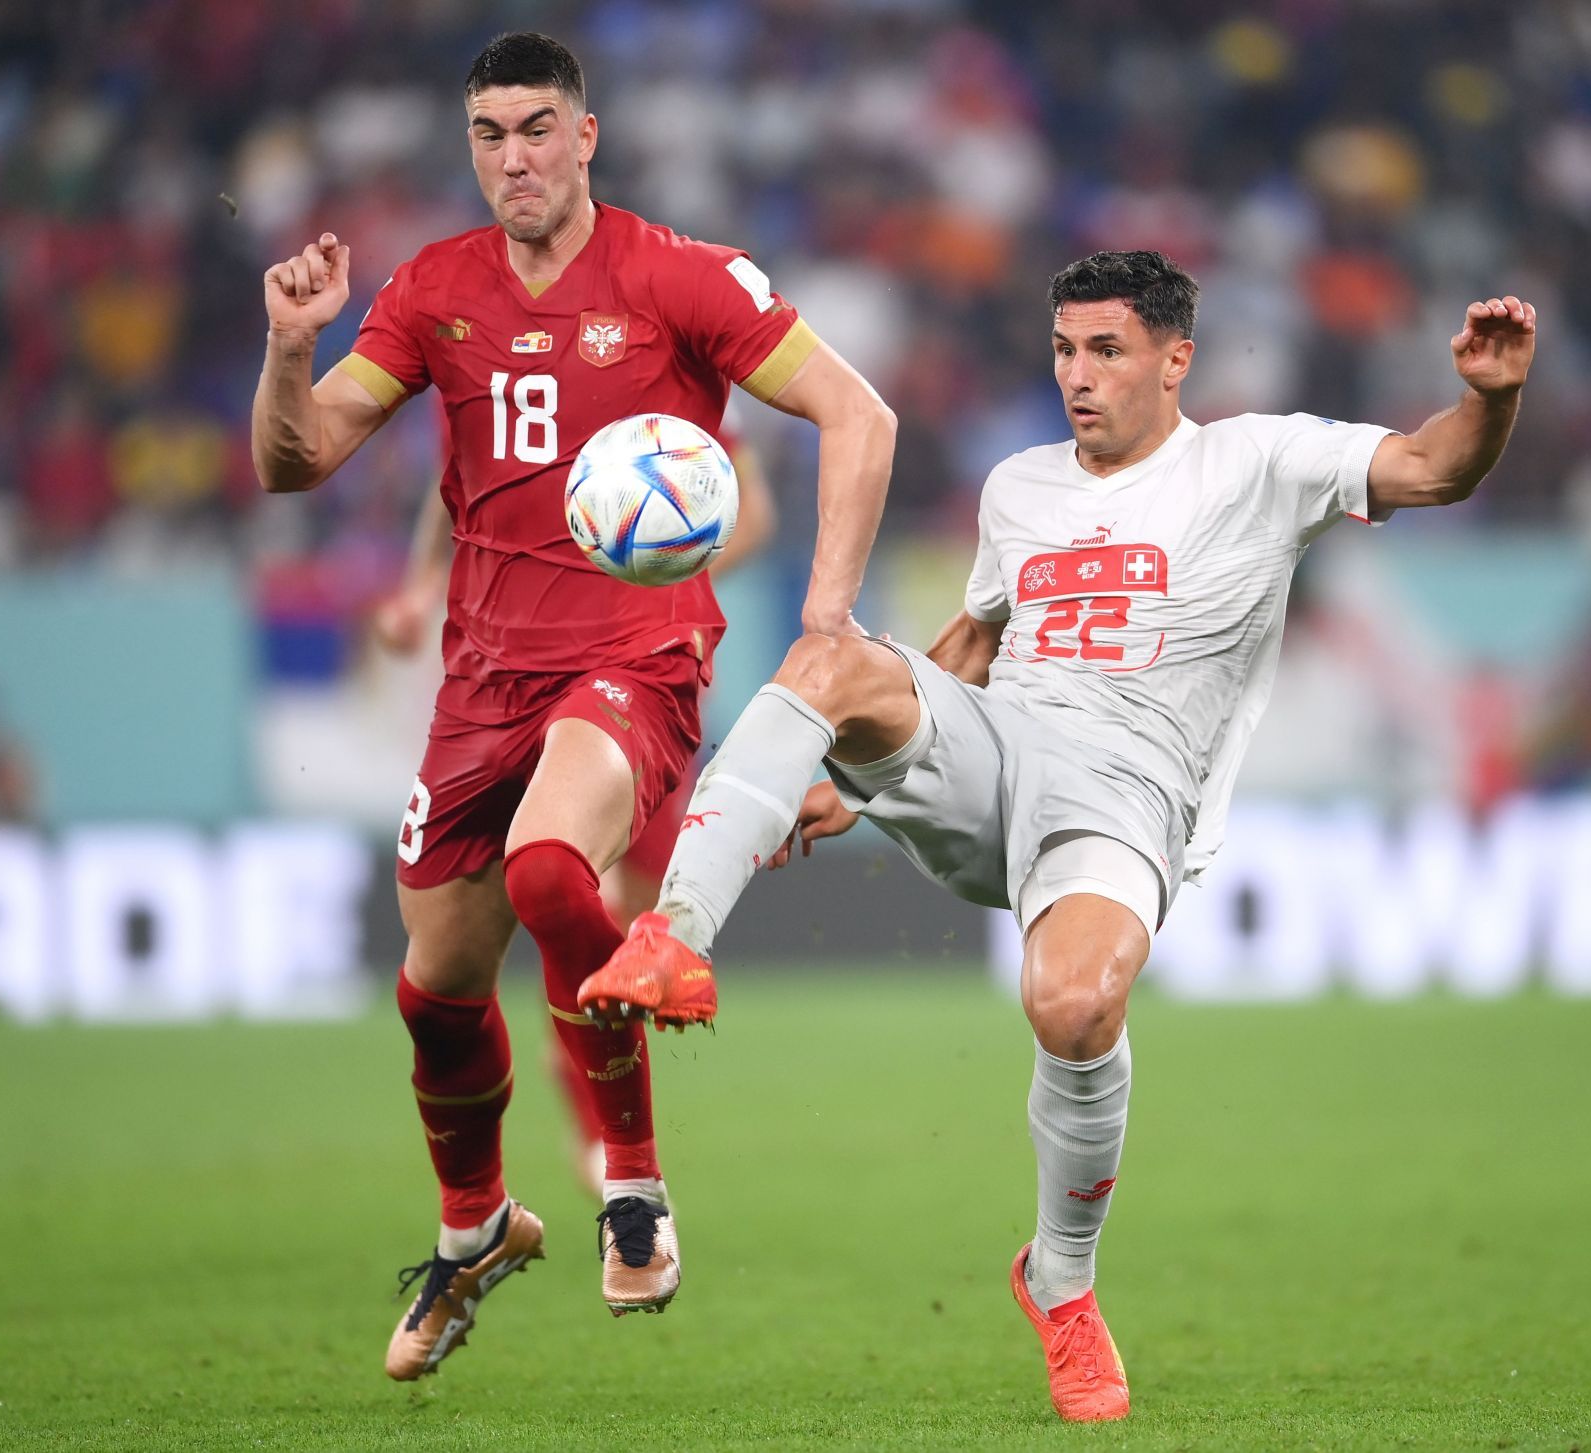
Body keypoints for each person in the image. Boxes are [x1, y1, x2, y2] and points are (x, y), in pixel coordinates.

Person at [579, 251, 1536, 1421]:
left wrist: (1489, 396)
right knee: (829, 658)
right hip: (999, 749)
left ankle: (1061, 1286)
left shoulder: (1261, 460)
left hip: (1129, 797)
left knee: (1075, 1006)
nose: (1076, 378)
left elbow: (1436, 465)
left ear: (1176, 360)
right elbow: (974, 648)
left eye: (1106, 352)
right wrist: (859, 770)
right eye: (1063, 351)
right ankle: (674, 932)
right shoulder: (1018, 486)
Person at [250, 31, 895, 1381]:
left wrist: (824, 618)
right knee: (436, 990)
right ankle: (475, 1225)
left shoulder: (678, 277)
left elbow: (860, 414)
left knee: (555, 870)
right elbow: (297, 461)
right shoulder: (434, 292)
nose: (514, 158)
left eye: (538, 128)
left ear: (587, 135)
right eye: (488, 134)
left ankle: (636, 1191)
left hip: (637, 662)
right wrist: (286, 348)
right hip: (484, 681)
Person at [370, 432, 779, 1193]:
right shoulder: (506, 379)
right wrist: (422, 588)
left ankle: (603, 1124)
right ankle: (601, 1140)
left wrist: (657, 561)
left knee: (624, 922)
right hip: (527, 678)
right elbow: (453, 479)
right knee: (579, 891)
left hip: (641, 676)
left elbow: (753, 514)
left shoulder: (673, 410)